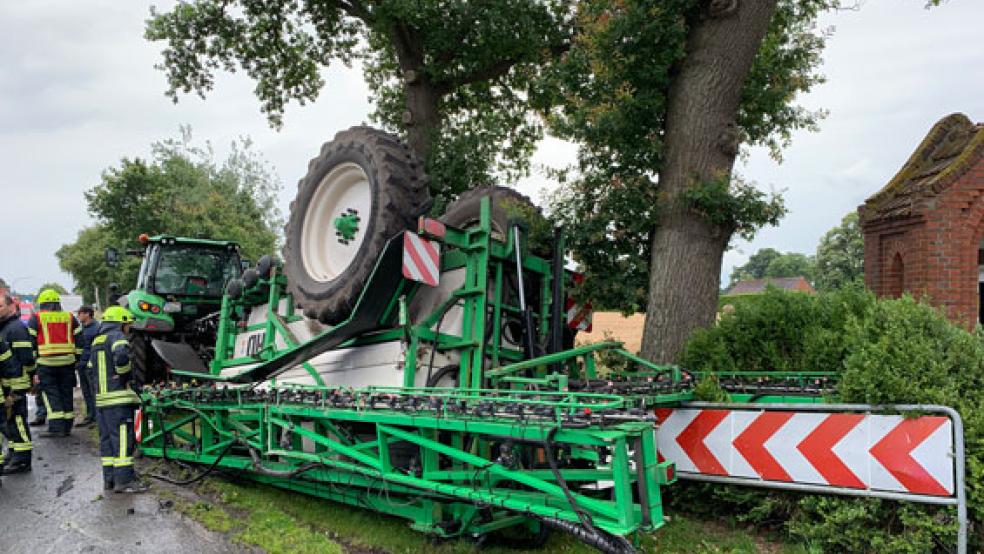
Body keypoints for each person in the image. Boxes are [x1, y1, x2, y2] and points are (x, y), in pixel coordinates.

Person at [90, 306, 148, 493]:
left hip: (102, 400)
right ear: (120, 323)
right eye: (127, 325)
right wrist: (124, 377)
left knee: (107, 440)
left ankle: (110, 479)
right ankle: (124, 481)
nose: (128, 329)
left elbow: (90, 369)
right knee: (123, 439)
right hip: (118, 400)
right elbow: (122, 358)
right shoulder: (117, 337)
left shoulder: (96, 340)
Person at [26, 289, 82, 437]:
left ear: (42, 304)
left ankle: (57, 428)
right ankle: (67, 426)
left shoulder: (36, 318)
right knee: (66, 393)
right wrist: (77, 358)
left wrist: (33, 364)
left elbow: (30, 344)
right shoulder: (70, 317)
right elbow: (80, 340)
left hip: (46, 363)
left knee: (52, 395)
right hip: (68, 363)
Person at [0, 293, 37, 473]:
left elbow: (26, 357)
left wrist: (32, 377)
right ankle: (14, 453)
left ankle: (22, 460)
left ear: (11, 307)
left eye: (0, 306)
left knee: (18, 421)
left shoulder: (15, 328)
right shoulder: (5, 328)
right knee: (10, 423)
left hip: (17, 383)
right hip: (8, 384)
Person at [74, 306, 99, 428]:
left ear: (88, 314)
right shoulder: (81, 328)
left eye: (80, 313)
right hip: (81, 365)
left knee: (93, 392)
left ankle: (97, 418)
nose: (78, 316)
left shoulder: (96, 328)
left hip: (90, 365)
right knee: (86, 392)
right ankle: (90, 416)